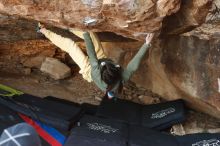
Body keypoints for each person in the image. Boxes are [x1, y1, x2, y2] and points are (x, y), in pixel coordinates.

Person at [38, 23, 154, 99]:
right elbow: (133, 65)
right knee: (92, 35)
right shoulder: (123, 77)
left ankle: (43, 31)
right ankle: (69, 25)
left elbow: (91, 54)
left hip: (88, 69)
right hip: (102, 59)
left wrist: (85, 33)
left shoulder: (96, 72)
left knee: (71, 45)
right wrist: (147, 44)